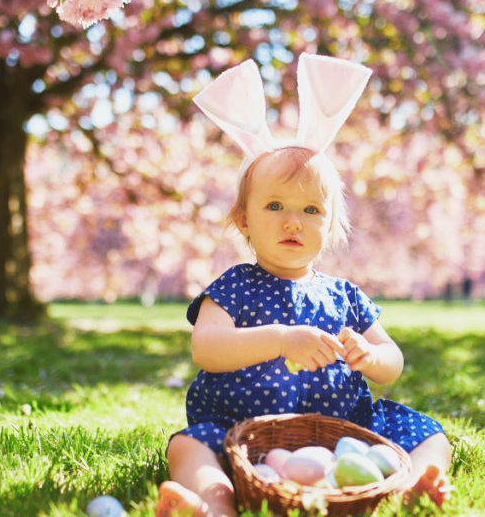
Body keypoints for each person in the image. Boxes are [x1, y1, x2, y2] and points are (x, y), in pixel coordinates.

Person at [155, 54, 453, 517]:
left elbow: (392, 362)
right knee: (187, 446)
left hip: (341, 433)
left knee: (428, 433)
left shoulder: (345, 296)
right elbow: (206, 348)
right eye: (274, 205)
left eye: (311, 210)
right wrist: (280, 339)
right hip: (242, 430)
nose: (293, 221)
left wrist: (369, 357)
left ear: (331, 224)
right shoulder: (235, 285)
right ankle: (214, 505)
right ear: (243, 220)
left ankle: (410, 487)